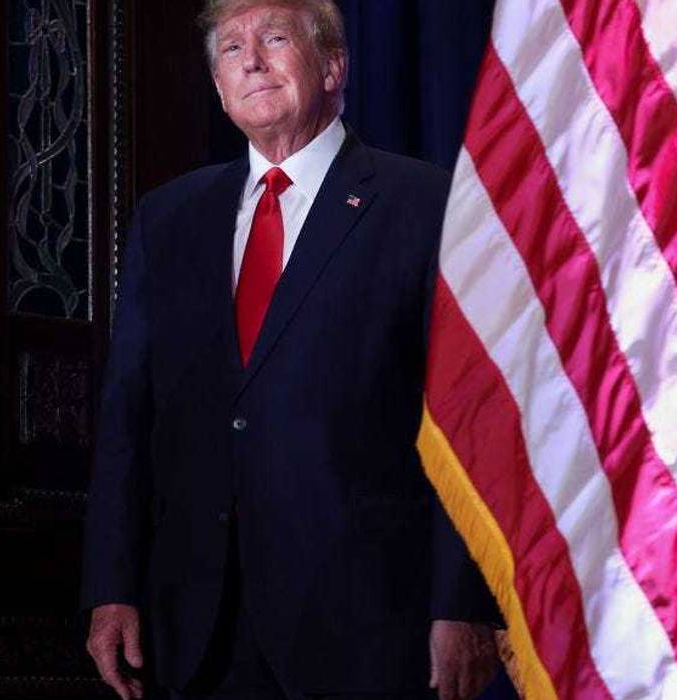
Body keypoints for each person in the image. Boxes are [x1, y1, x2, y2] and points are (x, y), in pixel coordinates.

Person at [79, 1, 500, 698]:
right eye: (230, 49)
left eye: (274, 39)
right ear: (217, 87)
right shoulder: (169, 218)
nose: (250, 60)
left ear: (333, 66)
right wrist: (111, 585)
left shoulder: (428, 205)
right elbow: (129, 417)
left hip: (367, 625)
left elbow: (471, 415)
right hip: (195, 628)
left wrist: (460, 601)